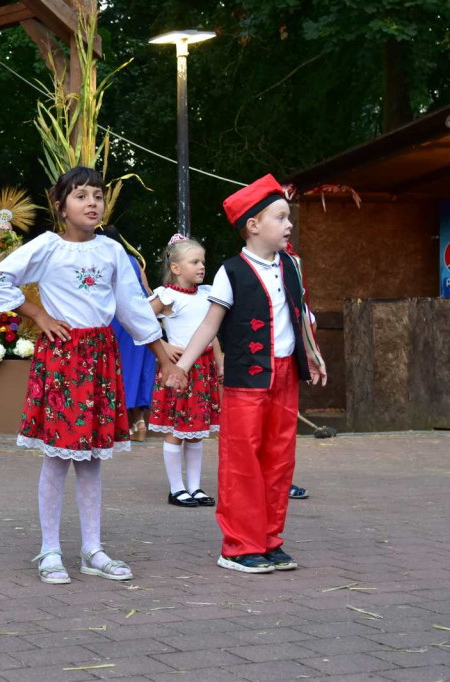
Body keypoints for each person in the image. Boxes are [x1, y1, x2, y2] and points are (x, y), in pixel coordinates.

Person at [0, 166, 180, 584]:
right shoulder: (47, 247)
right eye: (81, 195)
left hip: (100, 359)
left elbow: (134, 308)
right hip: (61, 357)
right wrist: (37, 313)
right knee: (56, 456)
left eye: (98, 196)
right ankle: (49, 549)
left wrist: (165, 359)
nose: (92, 203)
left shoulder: (111, 252)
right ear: (60, 205)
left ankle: (92, 549)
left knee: (91, 460)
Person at [162, 174, 326, 574]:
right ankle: (238, 546)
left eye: (287, 217)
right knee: (242, 461)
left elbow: (301, 315)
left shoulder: (292, 265)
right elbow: (208, 325)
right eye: (280, 217)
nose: (289, 225)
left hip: (285, 374)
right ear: (253, 225)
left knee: (279, 459)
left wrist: (315, 355)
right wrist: (181, 365)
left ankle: (269, 541)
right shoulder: (230, 272)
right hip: (246, 379)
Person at [147, 234, 222, 508]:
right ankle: (176, 488)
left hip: (204, 370)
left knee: (197, 430)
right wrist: (163, 346)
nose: (202, 266)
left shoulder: (208, 294)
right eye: (195, 261)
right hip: (179, 372)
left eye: (203, 261)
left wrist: (220, 360)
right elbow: (139, 320)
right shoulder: (165, 296)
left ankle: (195, 487)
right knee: (177, 429)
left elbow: (211, 332)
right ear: (176, 267)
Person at [105, 226, 156, 442]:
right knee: (137, 371)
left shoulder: (104, 261)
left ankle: (121, 426)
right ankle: (140, 423)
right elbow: (149, 292)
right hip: (141, 321)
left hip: (117, 321)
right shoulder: (134, 262)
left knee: (118, 370)